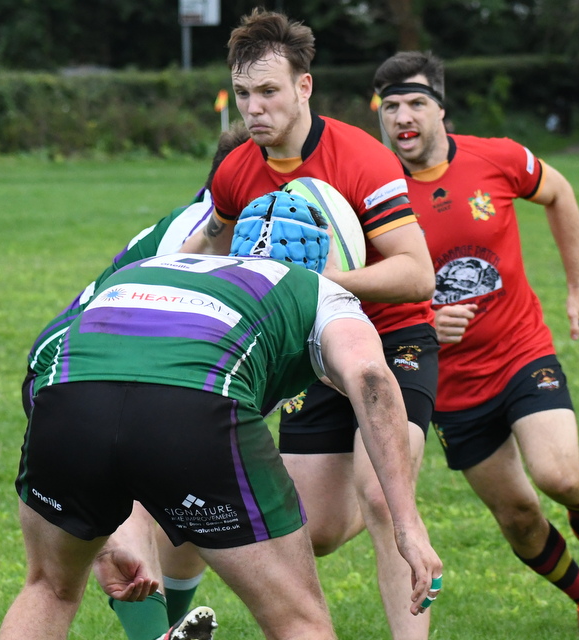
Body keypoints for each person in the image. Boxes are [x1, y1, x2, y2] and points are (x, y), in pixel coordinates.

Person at [0, 191, 443, 640]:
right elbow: (370, 378)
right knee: (297, 619)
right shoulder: (319, 288)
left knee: (49, 589)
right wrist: (406, 525)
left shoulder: (153, 265)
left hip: (66, 404)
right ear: (328, 259)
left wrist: (99, 523)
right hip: (195, 411)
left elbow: (57, 360)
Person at [179, 10, 439, 638]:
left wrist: (321, 281)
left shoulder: (362, 159)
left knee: (383, 496)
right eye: (243, 93)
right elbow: (208, 249)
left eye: (268, 91)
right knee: (314, 530)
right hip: (312, 350)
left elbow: (417, 274)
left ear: (304, 87)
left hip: (392, 339)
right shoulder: (236, 169)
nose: (253, 108)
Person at [372, 51, 579, 636]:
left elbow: (560, 193)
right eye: (390, 106)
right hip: (450, 385)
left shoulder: (497, 157)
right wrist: (425, 320)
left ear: (442, 109)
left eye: (415, 102)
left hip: (521, 352)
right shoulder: (374, 192)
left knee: (558, 475)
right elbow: (367, 287)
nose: (402, 116)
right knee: (517, 517)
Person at [21, 125, 249, 639]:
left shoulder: (250, 229)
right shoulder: (193, 234)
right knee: (132, 507)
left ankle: (163, 630)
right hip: (82, 375)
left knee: (195, 507)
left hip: (139, 378)